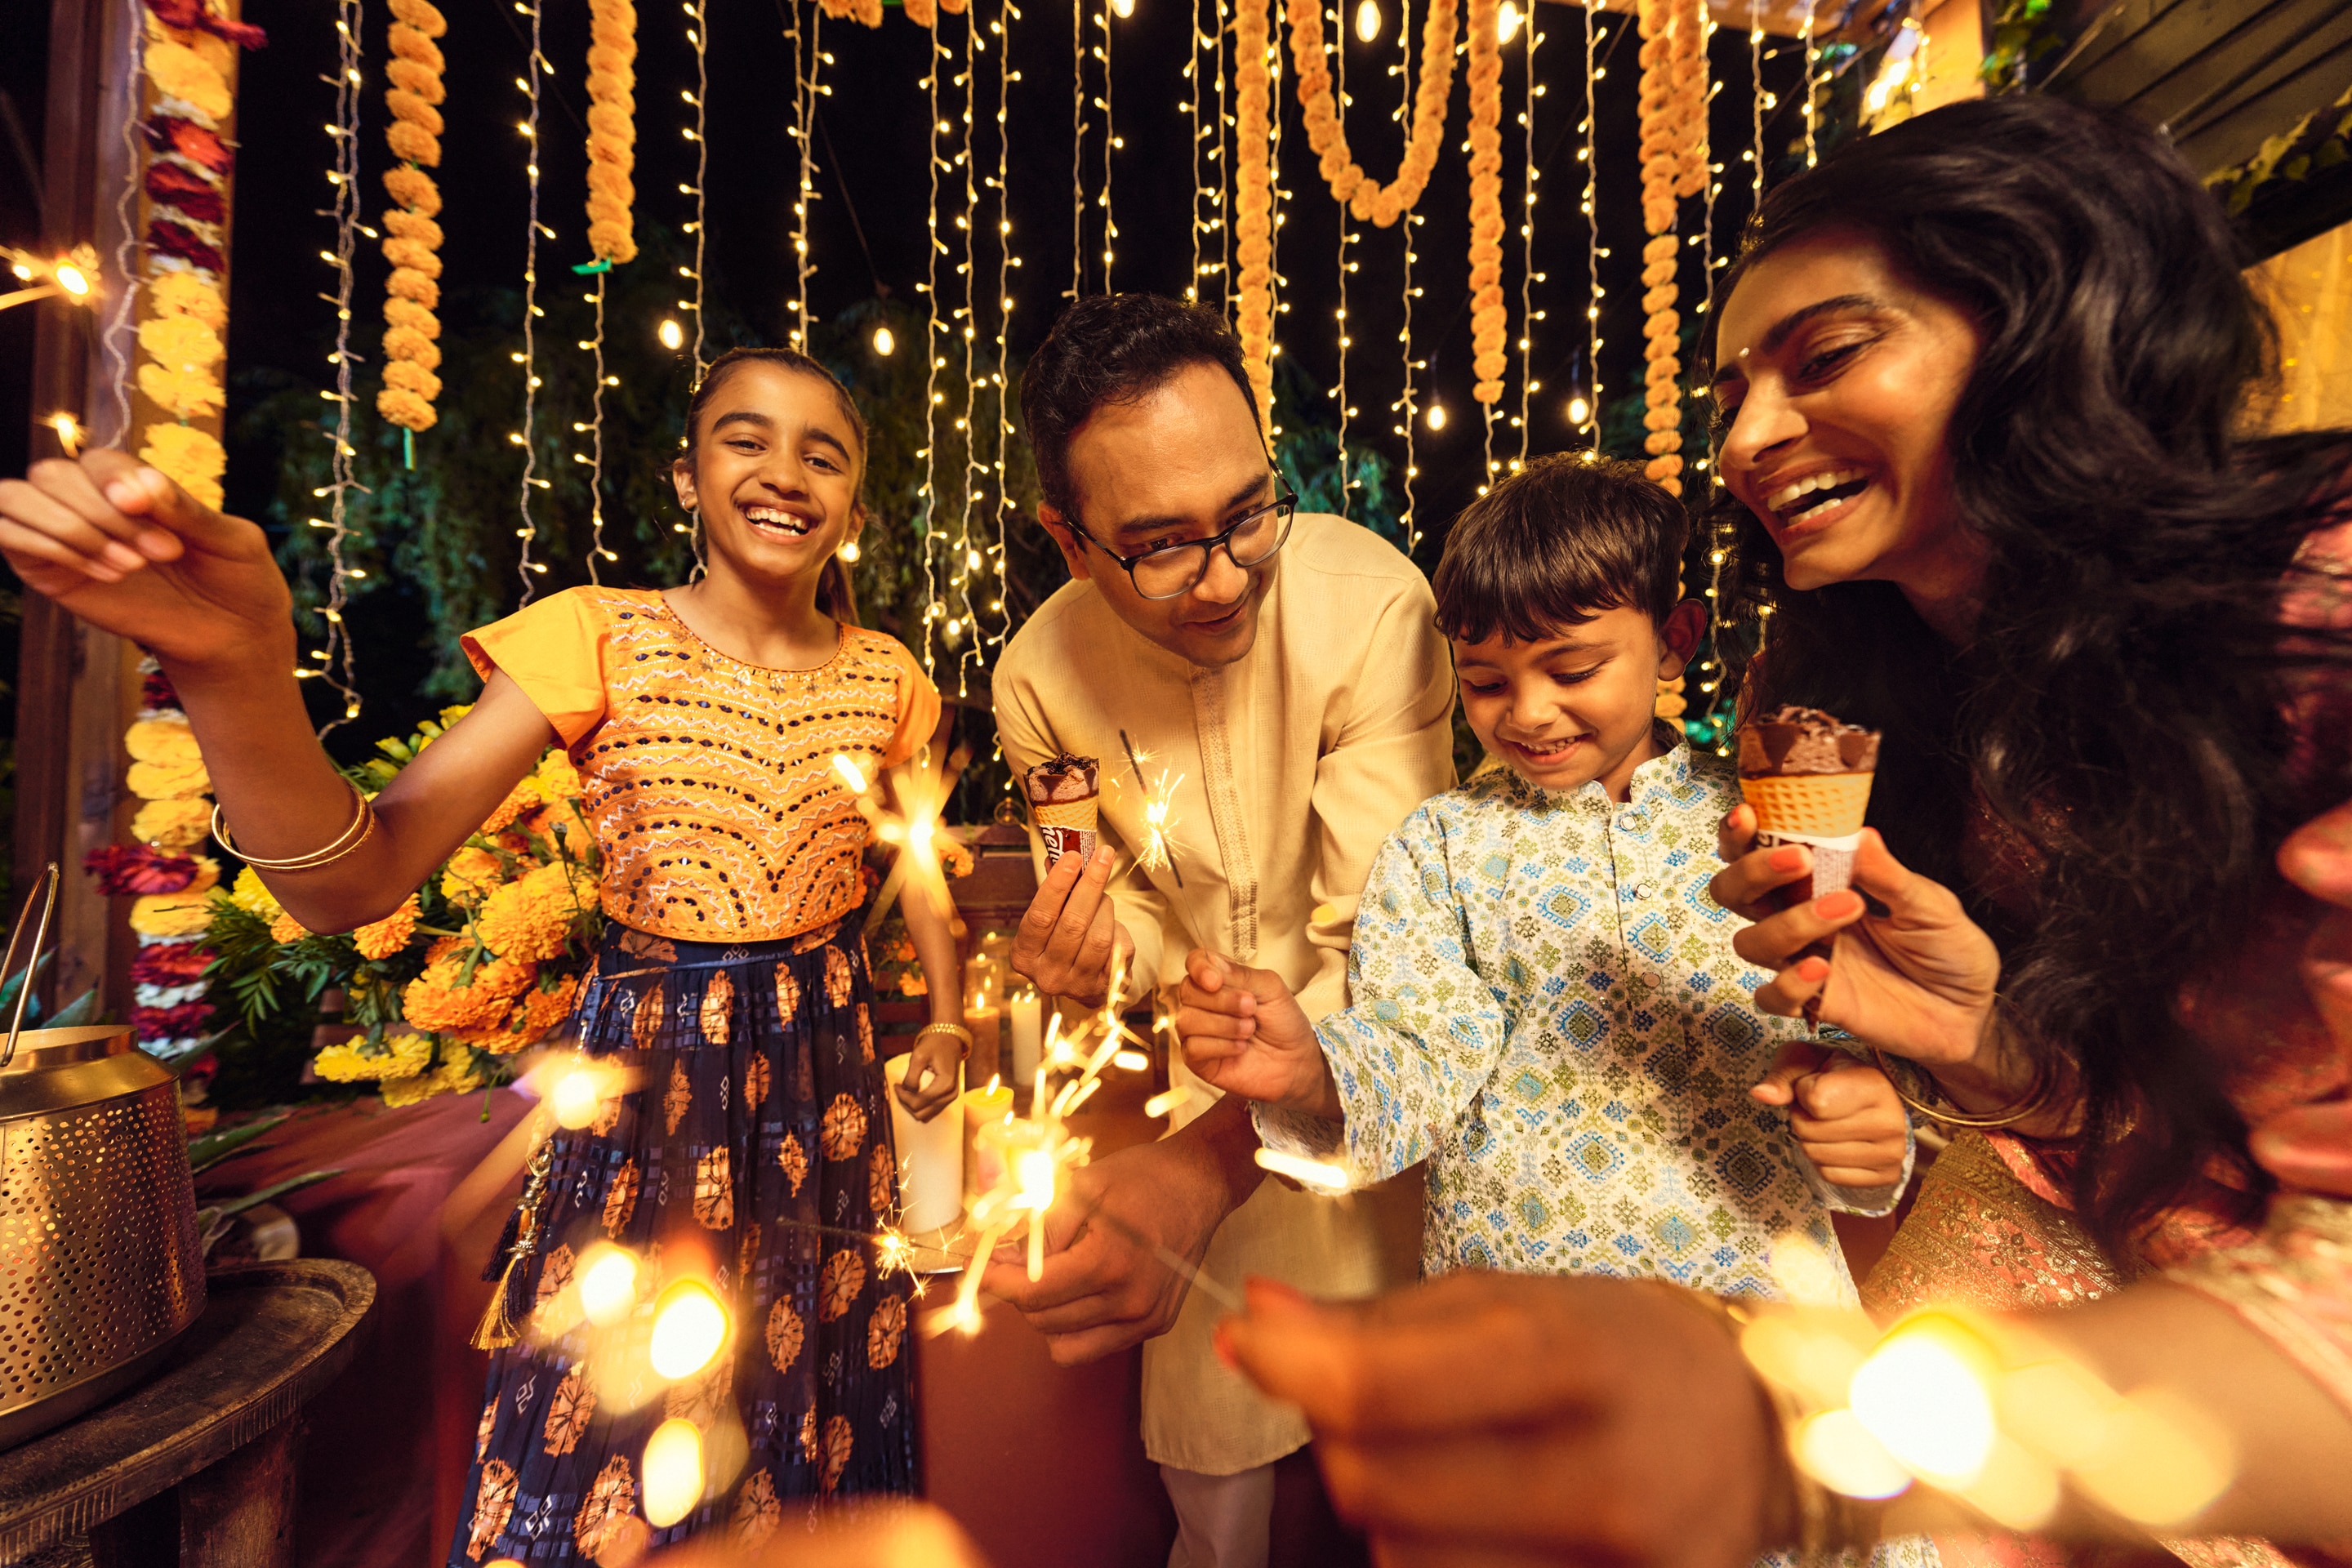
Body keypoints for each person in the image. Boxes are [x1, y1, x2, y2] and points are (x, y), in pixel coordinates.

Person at [1212, 96, 2352, 1566]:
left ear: (2039, 327)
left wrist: (1792, 1430)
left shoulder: (2310, 608)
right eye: (1734, 386)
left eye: (1827, 355)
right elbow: (2110, 1114)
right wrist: (1981, 1048)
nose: (1748, 437)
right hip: (1970, 1393)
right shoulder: (1850, 717)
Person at [0, 348, 971, 1561]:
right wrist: (236, 673)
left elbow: (919, 852)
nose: (785, 473)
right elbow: (364, 878)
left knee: (812, 1396)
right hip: (651, 1093)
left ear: (858, 507)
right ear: (685, 477)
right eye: (746, 438)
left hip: (827, 1086)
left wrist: (942, 1017)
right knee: (610, 1426)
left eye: (822, 454)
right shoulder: (595, 636)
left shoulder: (893, 677)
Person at [1174, 455, 1919, 1301]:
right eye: (1486, 681)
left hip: (1757, 1313)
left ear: (1675, 640)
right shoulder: (1441, 849)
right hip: (1510, 1316)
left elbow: (1840, 1027)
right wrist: (1313, 1071)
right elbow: (1423, 1047)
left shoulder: (1769, 821)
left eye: (1572, 671)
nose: (1526, 713)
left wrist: (1864, 1114)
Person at [987, 293, 1456, 1567]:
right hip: (1210, 1101)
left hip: (1389, 1099)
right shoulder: (1035, 681)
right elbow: (1127, 907)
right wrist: (1098, 960)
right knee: (1214, 1497)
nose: (1229, 571)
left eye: (1251, 511)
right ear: (1068, 540)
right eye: (1161, 544)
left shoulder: (1374, 610)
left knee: (1428, 1485)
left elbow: (1393, 951)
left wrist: (1201, 1173)